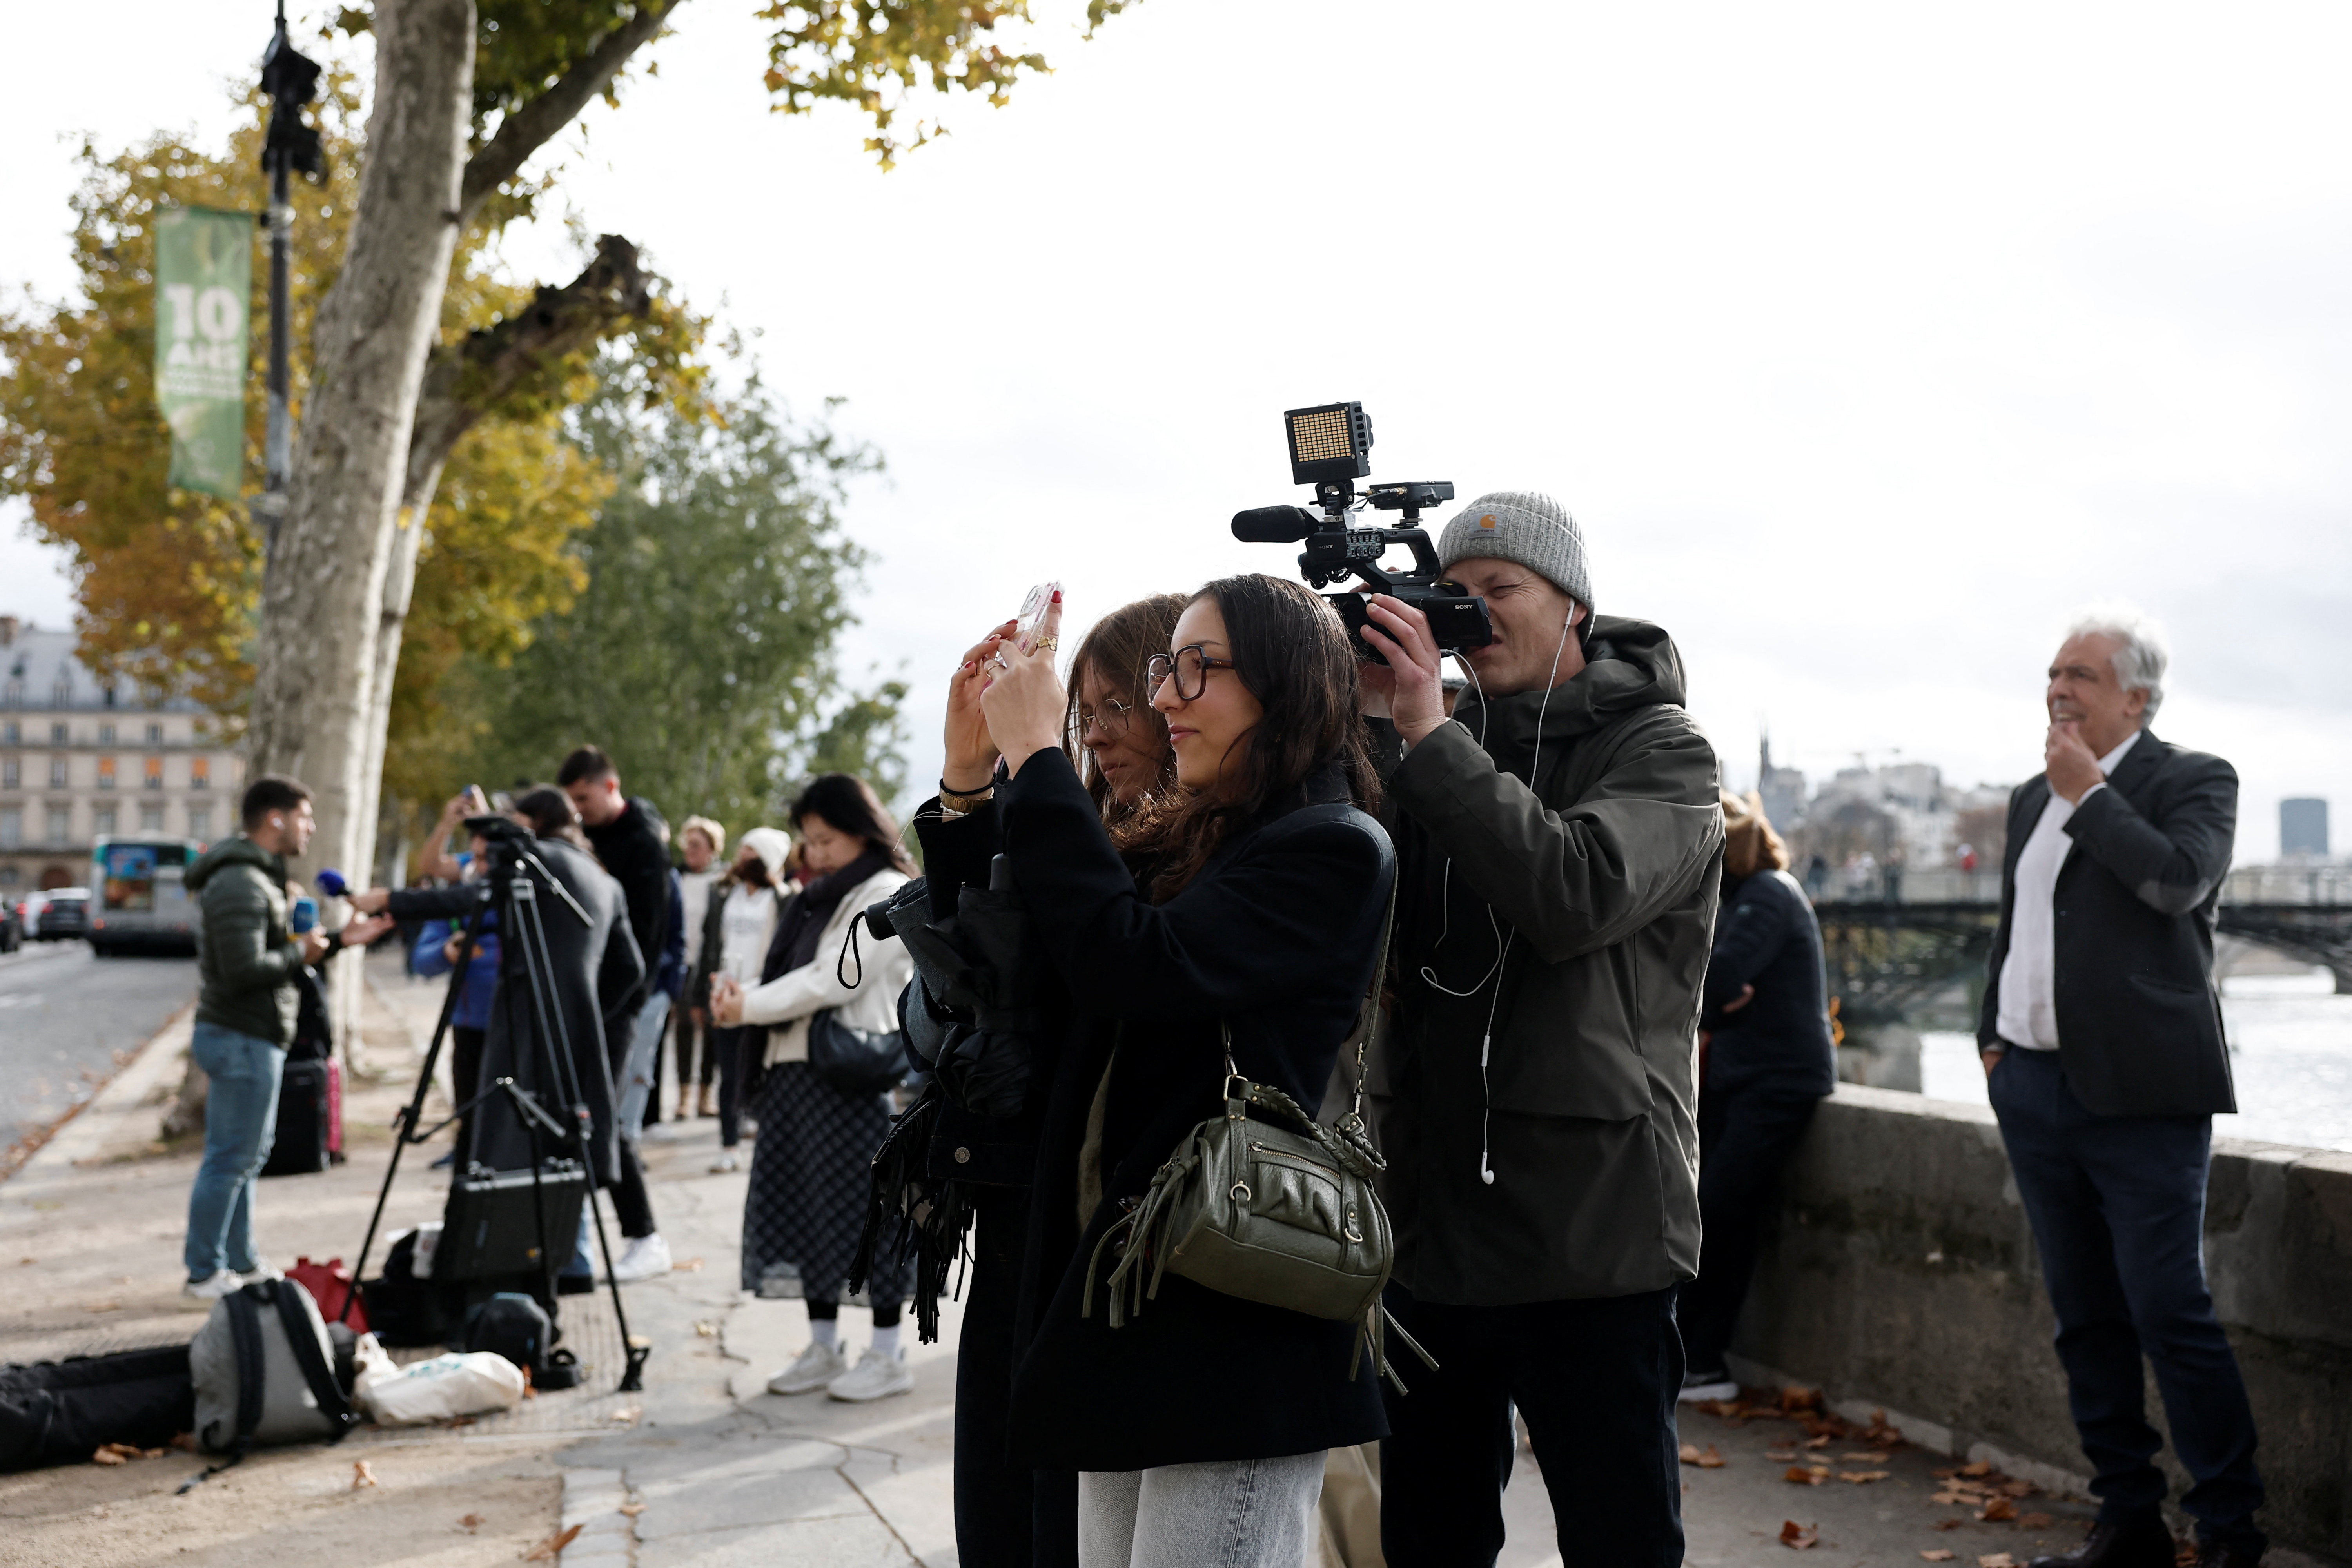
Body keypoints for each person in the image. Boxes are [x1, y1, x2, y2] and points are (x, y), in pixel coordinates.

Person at [966, 575, 1394, 1566]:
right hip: (1138, 1302)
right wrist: (969, 784)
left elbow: (1129, 963)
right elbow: (1050, 952)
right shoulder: (1209, 836)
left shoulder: (1332, 845)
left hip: (1234, 1315)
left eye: (1195, 668)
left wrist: (1035, 753)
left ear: (1286, 685)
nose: (1164, 697)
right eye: (1165, 668)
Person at [1356, 491, 1721, 1568]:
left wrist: (1425, 736)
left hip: (1592, 1230)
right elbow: (1356, 920)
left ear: (1574, 605)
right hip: (1432, 1225)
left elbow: (1575, 891)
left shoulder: (1665, 752)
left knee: (1618, 1539)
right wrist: (1374, 733)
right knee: (1428, 1536)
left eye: (1499, 591)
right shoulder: (1436, 741)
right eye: (1451, 598)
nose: (1473, 616)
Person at [1980, 609, 2263, 1568]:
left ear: (2136, 697)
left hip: (2142, 1098)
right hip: (2035, 1088)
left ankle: (2230, 1528)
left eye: (2082, 676)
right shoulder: (2029, 797)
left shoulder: (2194, 778)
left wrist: (2091, 796)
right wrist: (1992, 1040)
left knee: (2168, 1309)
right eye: (2053, 673)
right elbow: (2017, 927)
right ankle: (2128, 1519)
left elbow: (2178, 882)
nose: (2058, 688)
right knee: (2084, 1316)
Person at [916, 590, 1184, 1568]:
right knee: (1001, 1479)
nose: (1098, 733)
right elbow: (980, 965)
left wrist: (1031, 768)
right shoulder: (1082, 819)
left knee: (1061, 1509)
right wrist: (964, 775)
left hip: (1112, 1211)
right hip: (1026, 1192)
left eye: (1121, 706)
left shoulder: (1199, 843)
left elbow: (1108, 961)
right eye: (1087, 709)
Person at [349, 788, 645, 1280]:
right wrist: (590, 1010)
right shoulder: (600, 877)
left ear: (534, 824)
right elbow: (631, 969)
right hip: (577, 1038)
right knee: (566, 1144)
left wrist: (389, 900)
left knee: (510, 1146)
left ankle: (508, 1268)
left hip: (523, 1032)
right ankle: (573, 1261)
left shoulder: (536, 863)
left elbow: (473, 897)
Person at [710, 777, 916, 1403]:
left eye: (826, 840)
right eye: (810, 842)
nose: (815, 854)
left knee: (866, 1219)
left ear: (862, 829)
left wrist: (747, 1007)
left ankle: (888, 1354)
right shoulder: (819, 896)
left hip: (851, 1079)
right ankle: (824, 1346)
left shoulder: (885, 891)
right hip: (797, 1073)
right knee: (805, 1213)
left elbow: (836, 980)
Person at [181, 775, 392, 1298]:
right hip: (241, 1035)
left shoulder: (258, 878)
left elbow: (279, 955)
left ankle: (241, 1261)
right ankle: (204, 1272)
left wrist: (342, 941)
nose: (311, 827)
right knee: (231, 1157)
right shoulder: (240, 883)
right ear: (275, 818)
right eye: (304, 816)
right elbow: (242, 970)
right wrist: (304, 953)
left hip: (253, 1036)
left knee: (247, 1155)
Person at [1676, 789, 1835, 1403]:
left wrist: (1712, 989)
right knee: (1708, 1210)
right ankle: (1696, 1356)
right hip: (1741, 1077)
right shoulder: (1743, 897)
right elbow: (1712, 985)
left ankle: (1707, 1362)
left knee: (1721, 1211)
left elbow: (1708, 984)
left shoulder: (1769, 893)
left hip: (1778, 1080)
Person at [559, 745, 675, 1282]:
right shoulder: (589, 837)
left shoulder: (643, 843)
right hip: (587, 1000)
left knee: (604, 1117)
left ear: (611, 786)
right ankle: (577, 1237)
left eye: (584, 799)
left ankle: (644, 1234)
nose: (579, 811)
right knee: (582, 1115)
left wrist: (624, 1006)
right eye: (571, 803)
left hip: (621, 1003)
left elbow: (646, 938)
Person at [689, 827, 793, 1172]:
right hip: (725, 996)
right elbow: (709, 945)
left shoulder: (785, 898)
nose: (741, 860)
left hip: (764, 995)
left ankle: (764, 1142)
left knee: (764, 1073)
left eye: (750, 854)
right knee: (729, 1073)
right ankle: (729, 1145)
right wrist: (700, 996)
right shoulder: (723, 893)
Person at [410, 823, 500, 1171]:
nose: (481, 867)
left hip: (517, 1025)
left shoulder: (530, 895)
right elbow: (422, 961)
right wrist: (448, 952)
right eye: (476, 858)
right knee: (469, 1107)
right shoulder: (460, 898)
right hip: (469, 1026)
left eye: (488, 858)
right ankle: (466, 1152)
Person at [673, 816, 726, 1120]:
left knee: (710, 1029)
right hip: (683, 963)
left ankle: (705, 1096)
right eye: (687, 844)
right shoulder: (677, 878)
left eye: (696, 844)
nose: (689, 850)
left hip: (710, 965)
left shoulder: (721, 882)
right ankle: (683, 1097)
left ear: (711, 848)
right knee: (682, 1028)